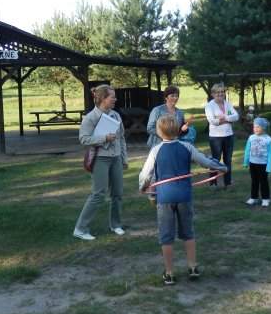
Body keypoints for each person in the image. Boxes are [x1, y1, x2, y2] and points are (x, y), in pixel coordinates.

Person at [139, 114, 227, 285]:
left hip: (165, 197)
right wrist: (221, 167)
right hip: (184, 195)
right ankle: (193, 267)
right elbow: (205, 162)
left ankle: (169, 273)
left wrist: (143, 187)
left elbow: (146, 174)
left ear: (159, 132)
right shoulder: (187, 147)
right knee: (188, 232)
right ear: (179, 130)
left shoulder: (156, 150)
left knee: (166, 235)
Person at [73, 84, 128, 241]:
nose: (115, 99)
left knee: (117, 193)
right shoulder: (90, 118)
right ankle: (80, 229)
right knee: (98, 194)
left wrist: (123, 158)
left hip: (116, 158)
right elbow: (83, 139)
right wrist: (104, 138)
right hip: (100, 159)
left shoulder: (116, 115)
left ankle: (115, 225)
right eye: (112, 97)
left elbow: (121, 138)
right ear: (103, 99)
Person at [204, 83, 239, 188]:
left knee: (228, 160)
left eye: (222, 92)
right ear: (213, 94)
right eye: (218, 92)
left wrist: (224, 118)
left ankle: (227, 183)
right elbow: (212, 121)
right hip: (216, 137)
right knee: (215, 160)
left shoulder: (228, 104)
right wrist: (228, 119)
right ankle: (213, 183)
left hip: (229, 135)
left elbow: (236, 116)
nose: (220, 94)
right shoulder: (209, 106)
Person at [242, 117, 271, 208]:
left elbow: (270, 153)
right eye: (254, 127)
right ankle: (254, 197)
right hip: (253, 164)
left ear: (263, 128)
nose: (255, 129)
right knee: (254, 181)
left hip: (263, 164)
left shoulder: (268, 139)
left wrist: (269, 166)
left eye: (258, 127)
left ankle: (266, 199)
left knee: (263, 182)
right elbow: (247, 150)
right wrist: (246, 162)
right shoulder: (251, 138)